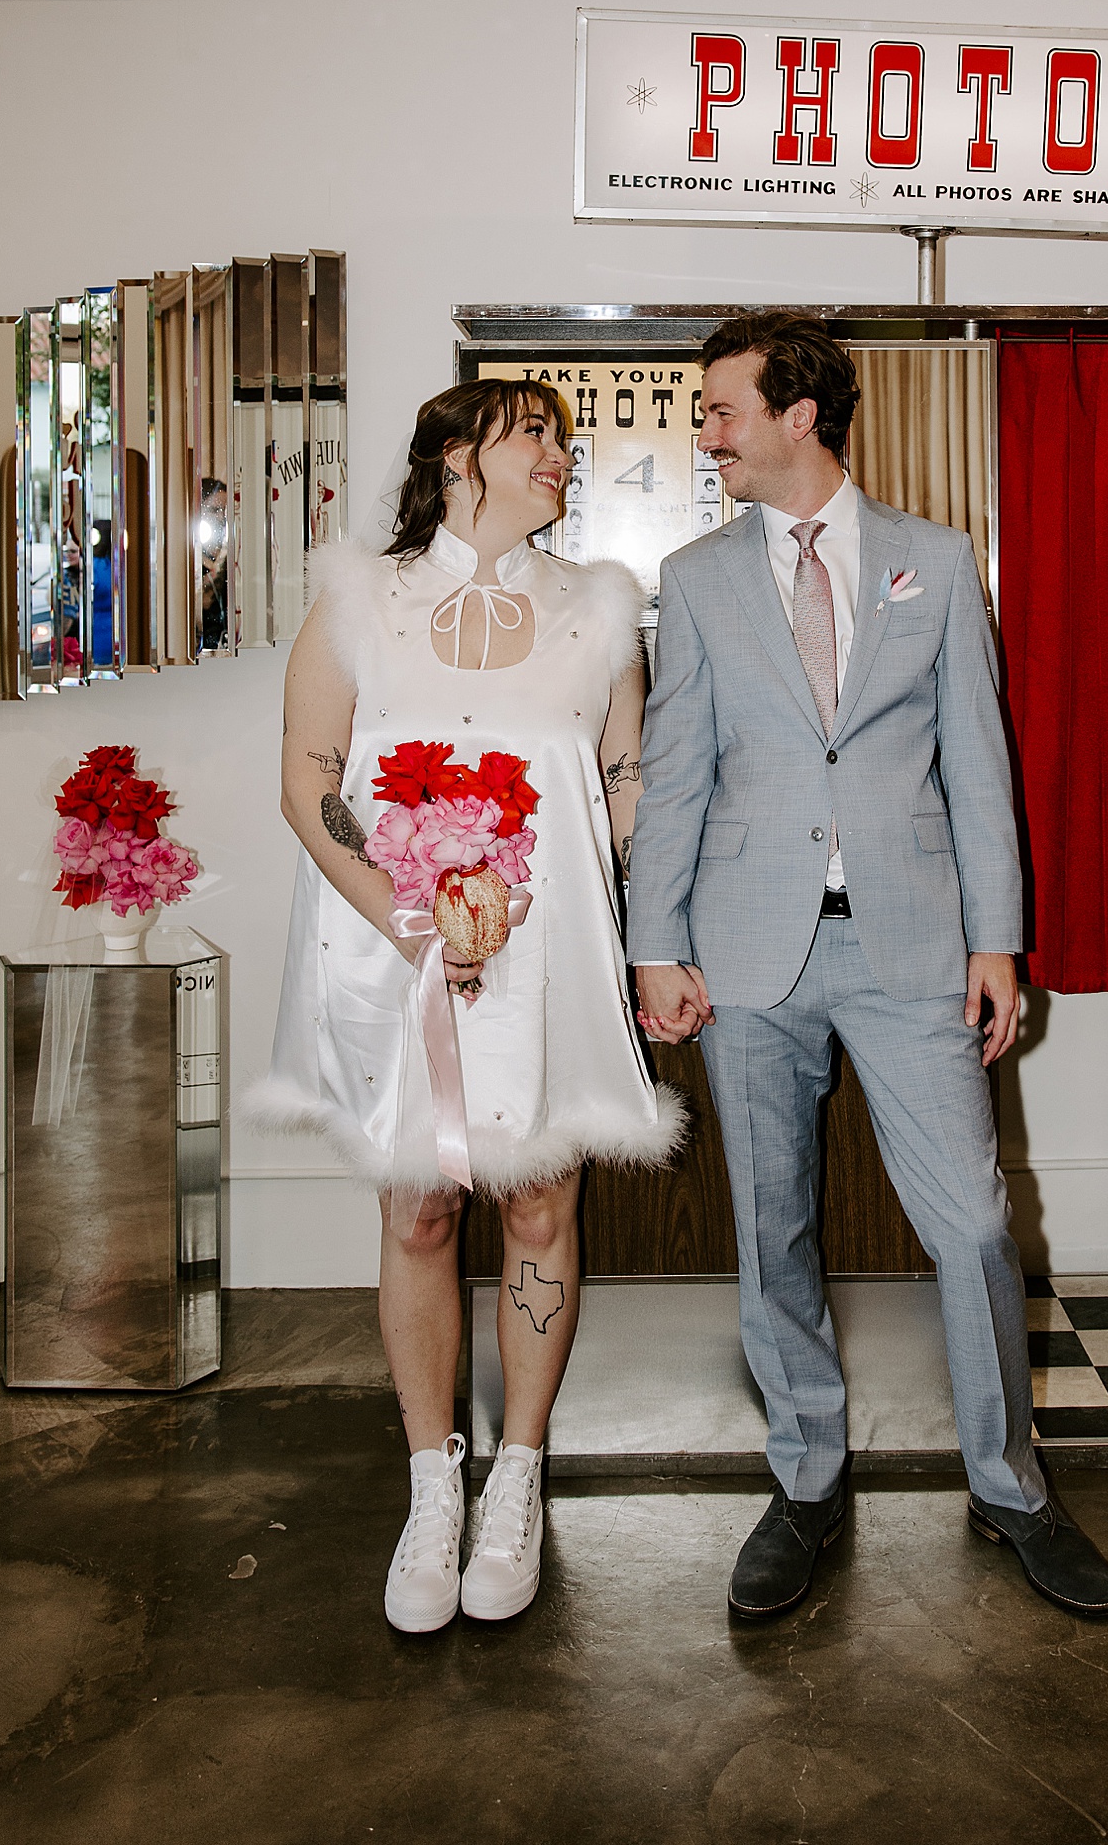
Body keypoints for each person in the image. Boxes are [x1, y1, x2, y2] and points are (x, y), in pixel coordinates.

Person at [628, 312, 1108, 1621]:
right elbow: (675, 779)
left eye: (725, 409)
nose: (710, 433)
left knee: (970, 1224)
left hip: (913, 946)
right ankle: (805, 1482)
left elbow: (980, 765)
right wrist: (656, 943)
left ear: (800, 414)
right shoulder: (695, 579)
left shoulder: (938, 563)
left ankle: (1010, 1483)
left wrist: (998, 939)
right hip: (746, 953)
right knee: (770, 1228)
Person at [247, 380, 683, 1633]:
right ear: (455, 455)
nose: (560, 452)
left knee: (541, 1196)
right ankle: (432, 1479)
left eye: (558, 434)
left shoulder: (601, 611)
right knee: (421, 1204)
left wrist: (545, 902)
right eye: (532, 431)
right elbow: (310, 780)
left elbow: (624, 780)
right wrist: (406, 909)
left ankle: (519, 1476)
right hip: (391, 952)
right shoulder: (355, 604)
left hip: (545, 953)